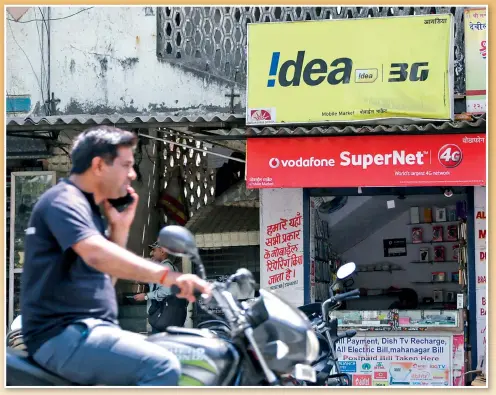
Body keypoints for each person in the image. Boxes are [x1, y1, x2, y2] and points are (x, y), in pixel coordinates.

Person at [20, 125, 211, 386]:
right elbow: (98, 255)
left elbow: (103, 280)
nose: (132, 174)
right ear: (99, 165)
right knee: (162, 365)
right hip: (63, 334)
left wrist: (119, 228)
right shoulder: (63, 201)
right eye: (126, 165)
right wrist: (169, 277)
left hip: (86, 332)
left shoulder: (88, 212)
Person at [134, 242, 187, 333]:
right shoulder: (172, 268)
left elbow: (166, 291)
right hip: (169, 317)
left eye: (154, 250)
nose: (151, 253)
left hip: (162, 316)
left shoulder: (165, 268)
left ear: (162, 251)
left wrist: (146, 296)